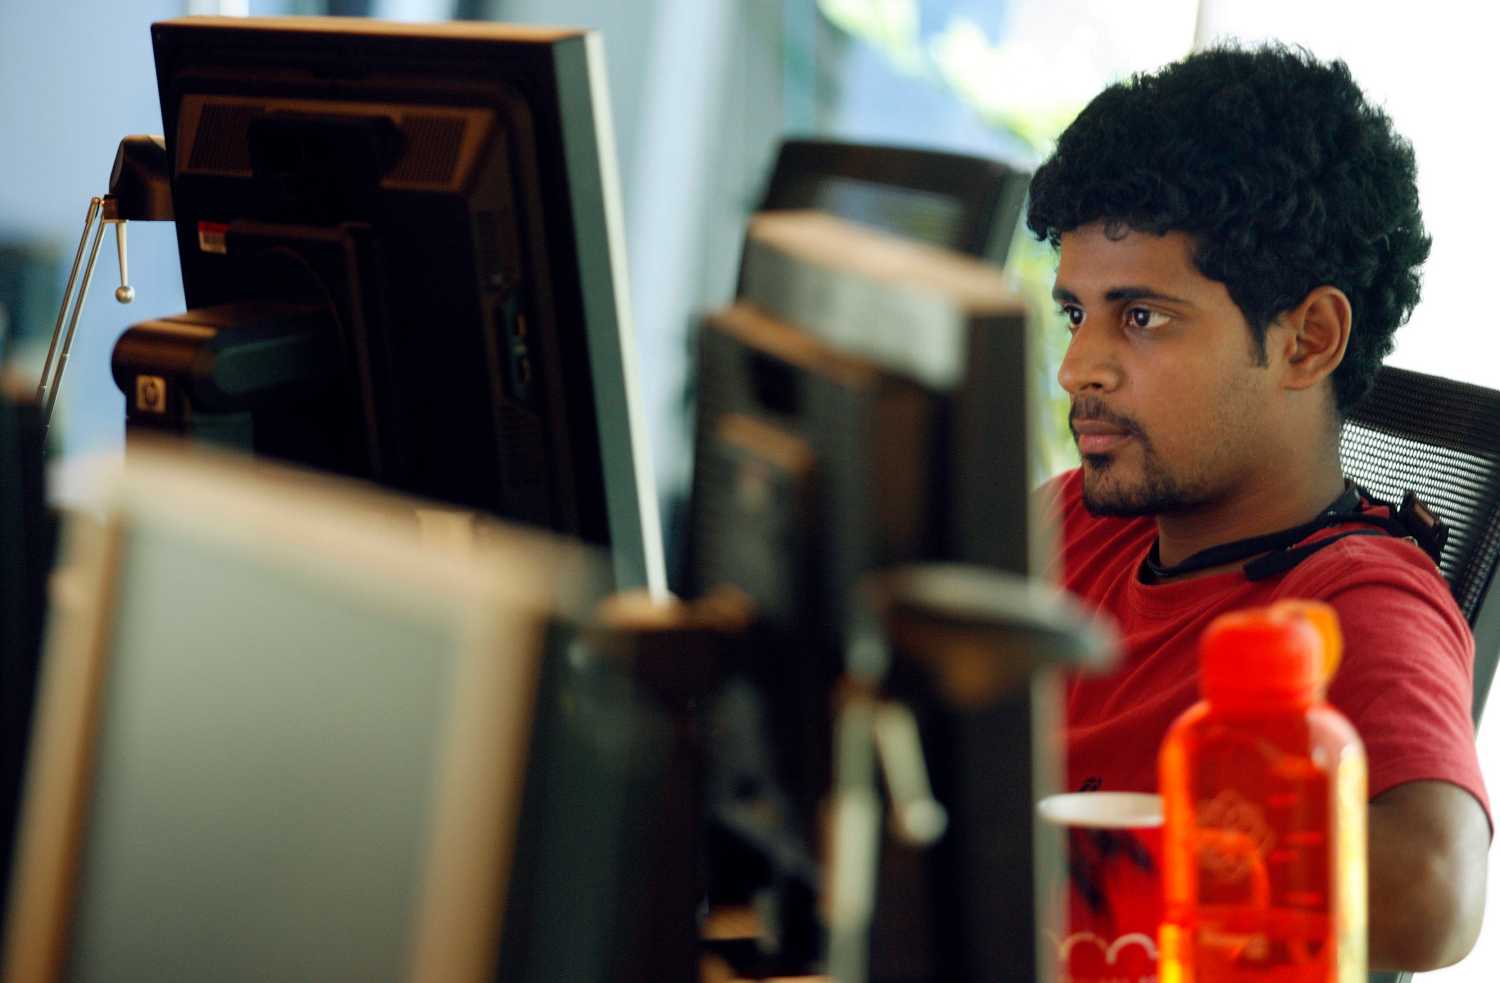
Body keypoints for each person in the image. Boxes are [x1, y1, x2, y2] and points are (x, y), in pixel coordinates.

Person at [1026, 43, 1490, 972]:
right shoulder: (1074, 521)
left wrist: (1093, 854)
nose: (1080, 369)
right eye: (1077, 313)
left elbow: (1436, 889)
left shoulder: (1354, 604)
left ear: (1307, 340)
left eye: (1142, 316)